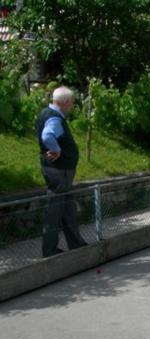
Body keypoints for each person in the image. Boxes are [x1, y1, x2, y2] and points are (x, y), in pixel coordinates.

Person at [37, 86, 88, 258]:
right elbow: (47, 136)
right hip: (59, 171)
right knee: (55, 209)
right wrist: (57, 150)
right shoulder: (54, 119)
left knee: (67, 207)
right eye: (72, 103)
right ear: (66, 102)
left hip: (58, 171)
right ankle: (49, 251)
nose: (72, 106)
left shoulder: (45, 113)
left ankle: (76, 244)